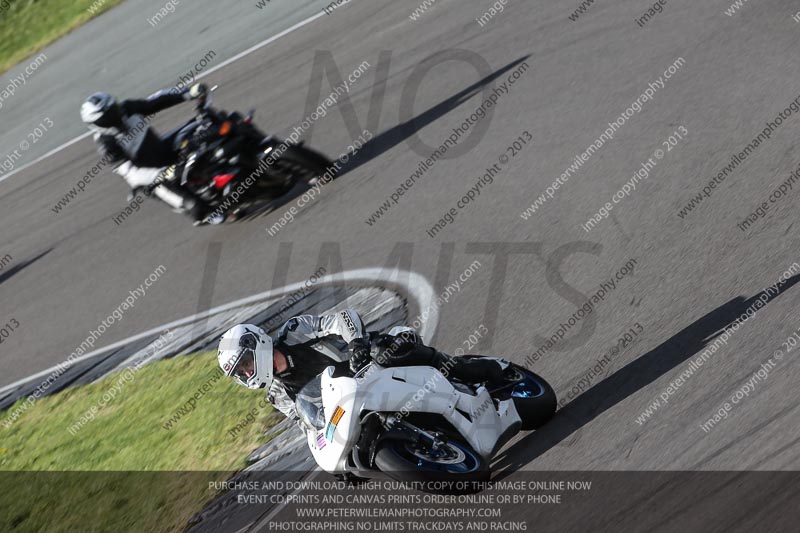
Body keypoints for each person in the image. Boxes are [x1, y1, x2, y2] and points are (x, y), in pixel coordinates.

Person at [216, 310, 504, 425]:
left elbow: (342, 317)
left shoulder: (294, 332)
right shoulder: (277, 394)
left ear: (256, 344)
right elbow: (308, 423)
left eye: (244, 364)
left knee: (393, 351)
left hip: (376, 358)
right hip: (359, 400)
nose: (245, 373)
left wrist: (356, 346)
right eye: (239, 373)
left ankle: (484, 371)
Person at [79, 83, 224, 225]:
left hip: (163, 149)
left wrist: (188, 93)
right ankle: (226, 211)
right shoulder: (107, 144)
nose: (115, 115)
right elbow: (132, 174)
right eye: (108, 116)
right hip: (153, 180)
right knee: (196, 208)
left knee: (205, 124)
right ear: (97, 124)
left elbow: (156, 101)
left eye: (113, 108)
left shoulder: (128, 108)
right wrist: (165, 173)